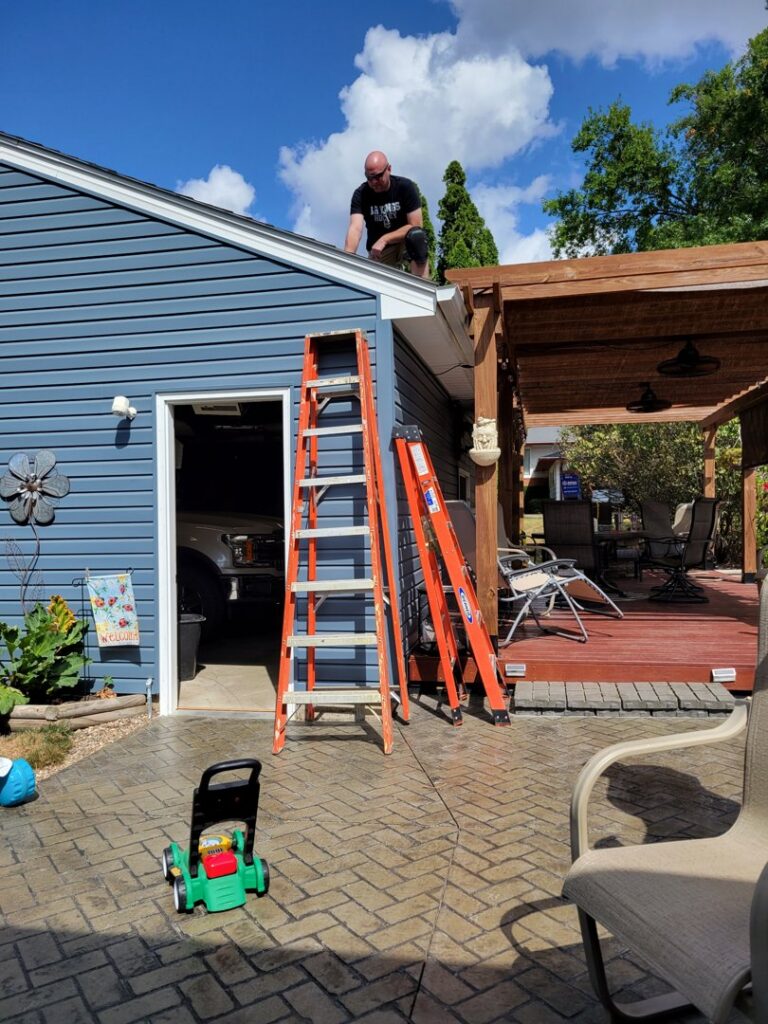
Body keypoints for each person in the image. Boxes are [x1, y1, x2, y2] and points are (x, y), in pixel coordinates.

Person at [344, 151, 430, 279]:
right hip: (379, 252)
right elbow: (355, 229)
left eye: (378, 177)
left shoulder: (405, 187)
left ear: (388, 169)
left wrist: (384, 239)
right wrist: (346, 263)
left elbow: (416, 225)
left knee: (417, 236)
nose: (374, 182)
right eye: (369, 178)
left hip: (404, 242)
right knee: (373, 283)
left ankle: (423, 289)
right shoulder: (361, 194)